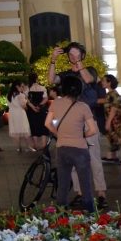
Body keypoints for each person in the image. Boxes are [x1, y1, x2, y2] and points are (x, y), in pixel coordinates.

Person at [47, 42, 107, 209]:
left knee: (94, 158)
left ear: (82, 55)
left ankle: (101, 193)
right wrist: (53, 60)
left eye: (76, 54)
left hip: (89, 119)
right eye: (71, 55)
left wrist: (79, 64)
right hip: (72, 123)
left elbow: (88, 79)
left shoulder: (90, 70)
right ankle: (80, 194)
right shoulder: (66, 75)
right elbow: (51, 80)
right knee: (72, 161)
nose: (73, 57)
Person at [45, 73, 97, 211]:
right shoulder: (83, 107)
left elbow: (47, 123)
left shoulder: (55, 103)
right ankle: (89, 212)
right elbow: (93, 130)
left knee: (63, 183)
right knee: (85, 184)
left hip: (62, 148)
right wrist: (81, 135)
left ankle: (61, 212)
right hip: (79, 149)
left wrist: (59, 134)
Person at [100, 74, 121, 162]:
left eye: (104, 81)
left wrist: (108, 122)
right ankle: (112, 156)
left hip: (117, 121)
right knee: (113, 138)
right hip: (114, 120)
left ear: (109, 83)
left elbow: (114, 108)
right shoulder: (110, 94)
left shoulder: (113, 94)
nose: (102, 82)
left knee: (120, 138)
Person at [25, 73, 48, 151]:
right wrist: (40, 105)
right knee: (43, 126)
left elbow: (26, 100)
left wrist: (33, 107)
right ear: (37, 79)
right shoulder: (42, 87)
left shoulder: (27, 88)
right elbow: (45, 98)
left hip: (31, 111)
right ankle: (44, 145)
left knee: (33, 127)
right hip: (41, 110)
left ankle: (35, 146)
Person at [6, 82, 30, 152]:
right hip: (20, 113)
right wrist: (26, 107)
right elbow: (23, 106)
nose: (22, 88)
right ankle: (28, 146)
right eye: (21, 86)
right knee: (25, 129)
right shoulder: (20, 95)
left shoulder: (9, 95)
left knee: (15, 130)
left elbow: (9, 104)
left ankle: (18, 147)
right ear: (17, 86)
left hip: (12, 113)